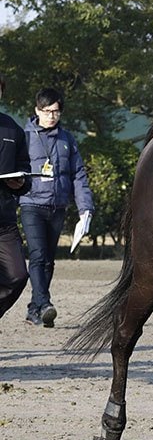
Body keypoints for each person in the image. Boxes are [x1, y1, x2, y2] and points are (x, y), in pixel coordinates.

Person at [20, 88, 94, 328]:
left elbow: (78, 175)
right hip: (31, 204)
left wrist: (85, 208)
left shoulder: (67, 139)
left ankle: (35, 309)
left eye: (56, 111)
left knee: (49, 260)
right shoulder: (25, 137)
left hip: (57, 206)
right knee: (38, 256)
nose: (52, 116)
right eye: (47, 111)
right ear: (37, 110)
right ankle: (45, 303)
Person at [0, 74, 31, 321]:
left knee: (18, 275)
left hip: (4, 220)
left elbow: (24, 170)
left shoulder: (13, 129)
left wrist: (20, 182)